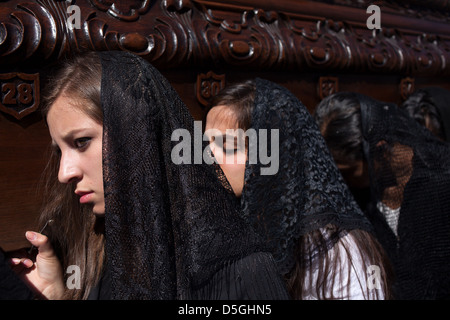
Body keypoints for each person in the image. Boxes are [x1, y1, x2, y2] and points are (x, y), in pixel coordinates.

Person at [8, 51, 290, 300]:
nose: (64, 173)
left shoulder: (241, 271)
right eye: (60, 151)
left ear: (139, 135)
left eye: (81, 142)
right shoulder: (87, 247)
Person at [204, 79, 393, 300]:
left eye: (229, 146)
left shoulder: (333, 250)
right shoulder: (217, 223)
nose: (210, 158)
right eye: (207, 145)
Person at [314, 91, 450, 299]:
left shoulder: (439, 184)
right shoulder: (364, 197)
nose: (340, 181)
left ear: (379, 150)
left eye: (348, 172)